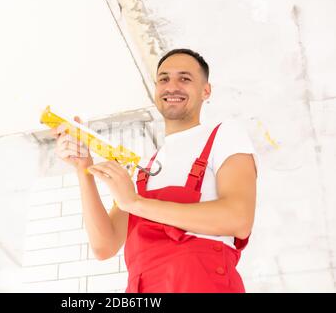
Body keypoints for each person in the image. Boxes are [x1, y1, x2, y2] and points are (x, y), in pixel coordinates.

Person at [51, 48, 257, 293]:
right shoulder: (145, 167)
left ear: (206, 91)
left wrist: (134, 203)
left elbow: (238, 219)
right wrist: (83, 168)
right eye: (164, 79)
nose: (172, 86)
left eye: (185, 78)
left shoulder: (224, 135)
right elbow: (104, 246)